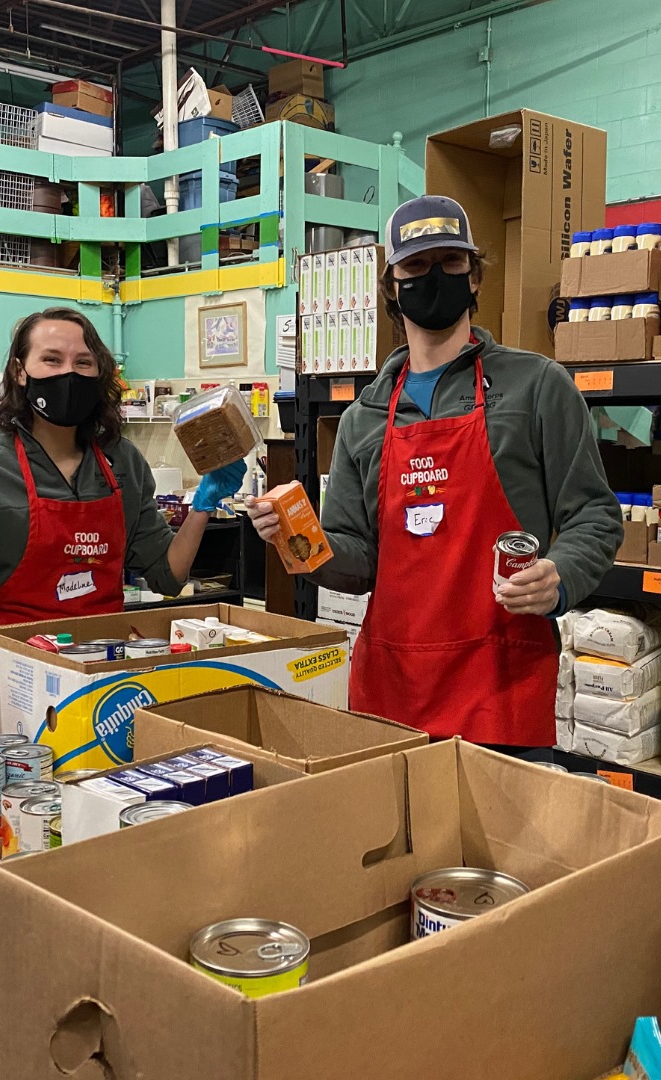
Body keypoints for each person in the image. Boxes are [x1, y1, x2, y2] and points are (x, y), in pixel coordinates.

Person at [248, 195, 623, 746]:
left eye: (451, 263)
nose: (434, 277)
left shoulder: (537, 386)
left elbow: (595, 515)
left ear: (474, 277)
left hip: (500, 679)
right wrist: (298, 541)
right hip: (393, 684)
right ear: (392, 287)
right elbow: (360, 561)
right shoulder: (363, 417)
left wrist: (560, 576)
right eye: (416, 266)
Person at [0, 307, 245, 628]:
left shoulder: (123, 461)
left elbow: (167, 576)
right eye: (51, 360)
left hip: (106, 663)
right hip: (17, 671)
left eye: (83, 362)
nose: (69, 373)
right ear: (20, 372)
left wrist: (201, 508)